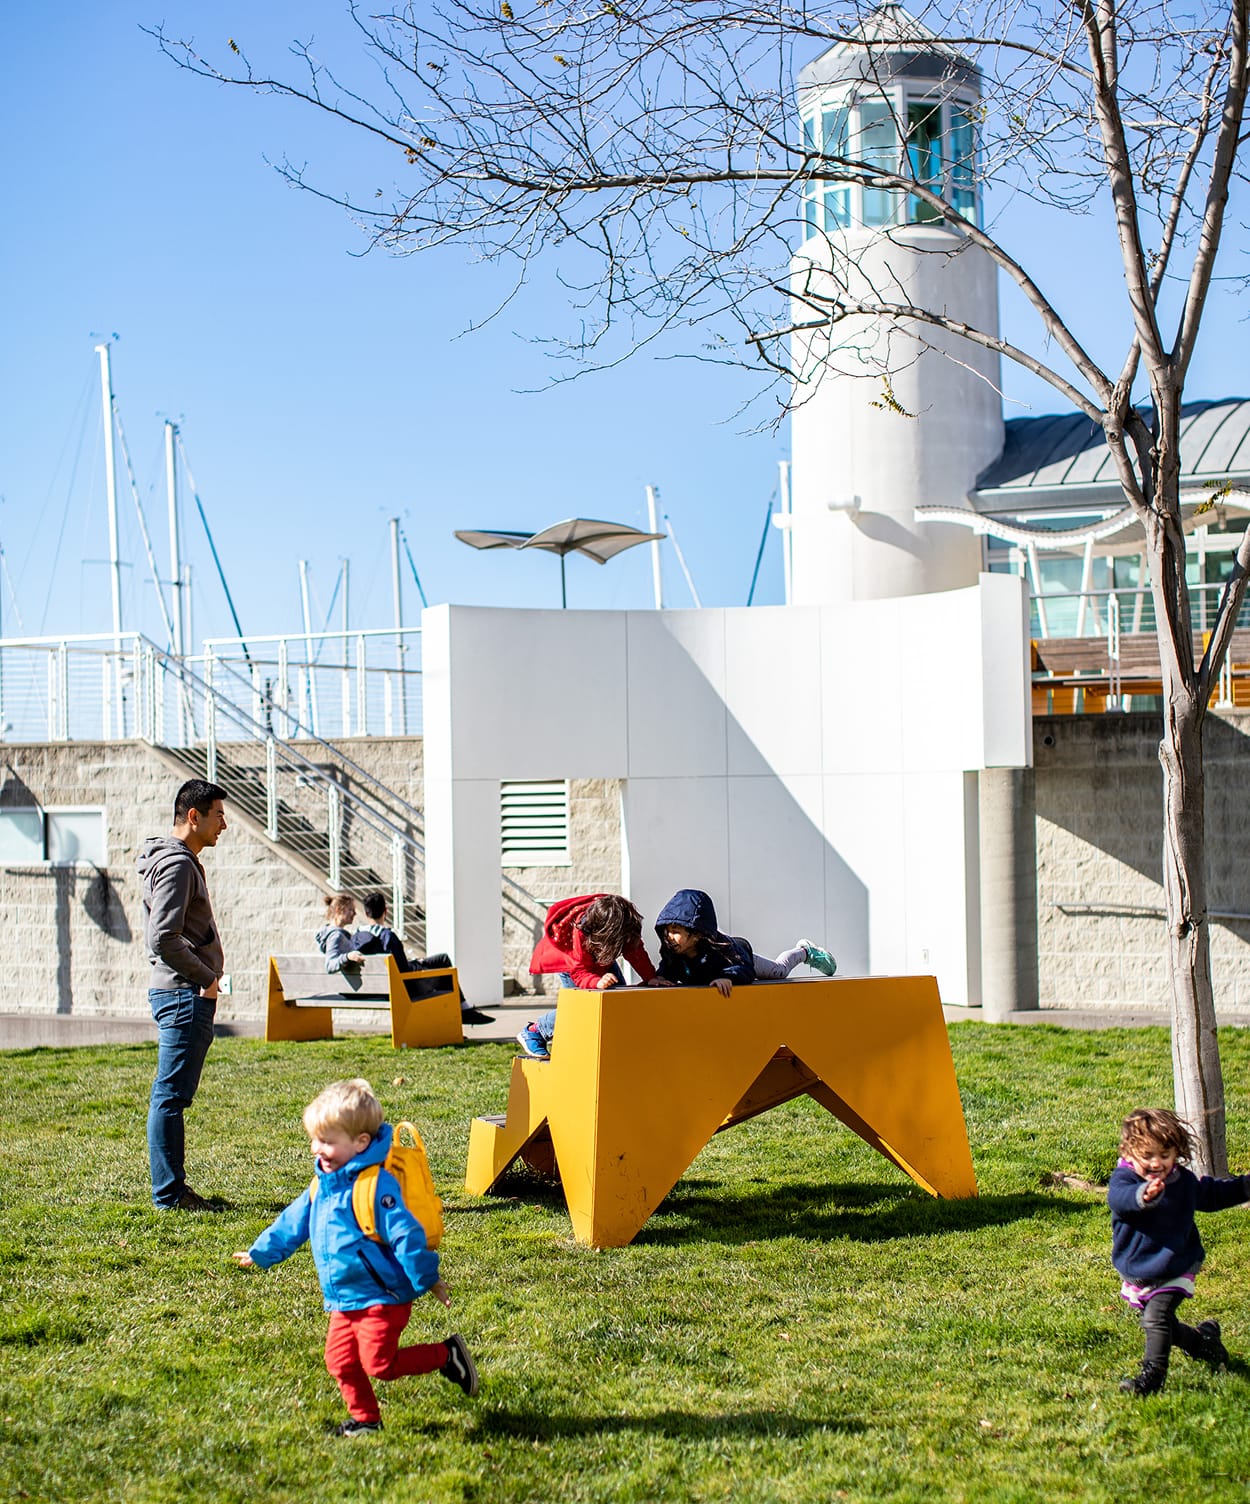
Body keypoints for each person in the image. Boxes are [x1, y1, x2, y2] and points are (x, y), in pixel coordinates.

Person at [232, 1078, 479, 1436]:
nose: (317, 1149)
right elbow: (293, 1221)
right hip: (343, 1299)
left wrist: (427, 1279)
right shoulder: (322, 1184)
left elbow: (405, 1234)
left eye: (328, 1142)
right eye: (315, 1139)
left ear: (361, 1143)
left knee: (380, 1364)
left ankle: (447, 1355)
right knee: (339, 1361)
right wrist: (262, 1252)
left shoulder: (376, 1186)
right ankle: (366, 1420)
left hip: (384, 1296)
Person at [1109, 1106, 1250, 1396]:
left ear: (1177, 1152)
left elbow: (1212, 1195)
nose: (1156, 1163)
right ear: (1129, 1152)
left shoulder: (1182, 1181)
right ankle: (1203, 1342)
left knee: (1156, 1320)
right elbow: (1119, 1200)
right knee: (1165, 1327)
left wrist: (1245, 1186)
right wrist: (1142, 1195)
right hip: (1139, 1269)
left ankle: (1152, 1378)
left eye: (1165, 1155)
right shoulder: (1125, 1180)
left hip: (1176, 1264)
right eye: (1147, 1156)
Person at [137, 777, 229, 1212]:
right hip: (182, 994)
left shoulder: (176, 860)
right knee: (170, 1096)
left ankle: (172, 1192)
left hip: (181, 992)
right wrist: (206, 976)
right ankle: (170, 1195)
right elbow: (163, 937)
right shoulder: (176, 864)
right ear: (193, 816)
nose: (224, 825)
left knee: (171, 1095)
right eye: (218, 815)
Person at [518, 893, 672, 1060]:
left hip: (601, 957)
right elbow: (579, 972)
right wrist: (596, 982)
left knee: (617, 1004)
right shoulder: (581, 932)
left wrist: (650, 977)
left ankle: (613, 1047)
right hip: (574, 963)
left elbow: (636, 952)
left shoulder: (624, 924)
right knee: (582, 1008)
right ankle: (535, 1031)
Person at [317, 892, 492, 1024]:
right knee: (444, 967)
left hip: (370, 987)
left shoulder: (355, 936)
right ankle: (464, 1013)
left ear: (367, 912)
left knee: (438, 964)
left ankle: (464, 1012)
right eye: (350, 910)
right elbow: (402, 971)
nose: (354, 914)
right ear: (385, 912)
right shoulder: (378, 936)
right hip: (401, 987)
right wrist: (418, 964)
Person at [654, 888, 837, 996]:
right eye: (667, 931)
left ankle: (805, 951)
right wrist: (660, 978)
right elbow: (668, 969)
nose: (669, 936)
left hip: (740, 957)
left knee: (778, 971)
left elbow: (745, 969)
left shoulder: (720, 952)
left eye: (676, 932)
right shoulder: (674, 953)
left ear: (696, 935)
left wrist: (729, 977)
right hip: (719, 965)